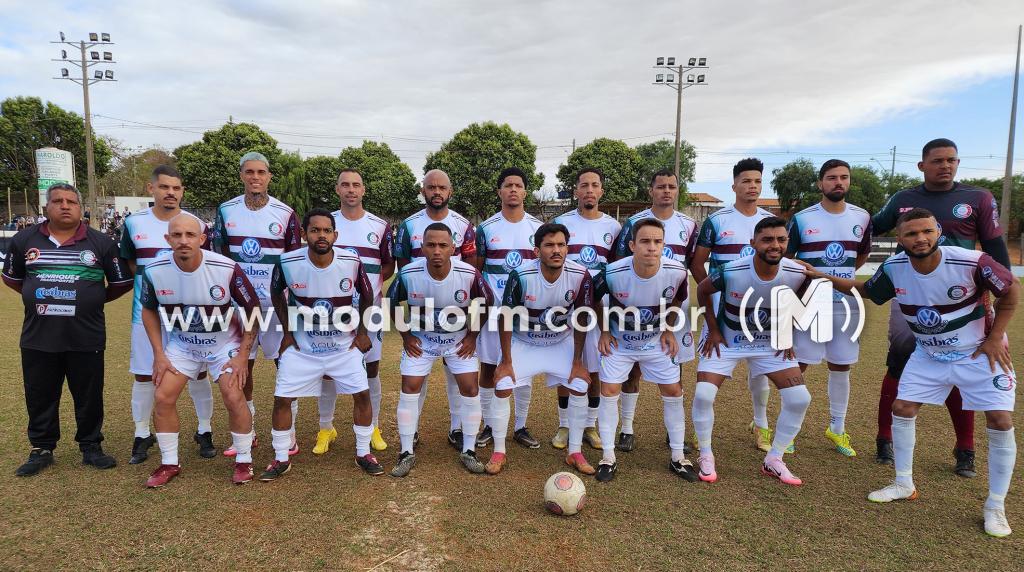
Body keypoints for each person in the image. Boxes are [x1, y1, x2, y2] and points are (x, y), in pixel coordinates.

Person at [803, 208, 1018, 538]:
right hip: (929, 354)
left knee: (1000, 420)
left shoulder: (971, 261)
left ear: (937, 233)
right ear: (900, 240)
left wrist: (993, 338)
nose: (921, 239)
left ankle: (995, 505)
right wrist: (821, 276)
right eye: (912, 234)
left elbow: (1011, 290)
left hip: (977, 353)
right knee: (902, 409)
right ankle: (903, 483)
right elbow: (867, 291)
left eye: (927, 232)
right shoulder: (895, 267)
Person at [870, 138, 1012, 476]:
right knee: (899, 363)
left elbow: (995, 248)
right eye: (937, 161)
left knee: (967, 370)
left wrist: (995, 291)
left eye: (951, 160)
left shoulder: (978, 198)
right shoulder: (904, 199)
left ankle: (965, 448)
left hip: (963, 298)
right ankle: (884, 439)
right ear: (922, 166)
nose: (945, 166)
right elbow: (869, 228)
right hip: (911, 297)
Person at [3, 183, 133, 476]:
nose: (65, 206)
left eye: (71, 202)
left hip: (86, 334)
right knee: (40, 393)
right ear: (46, 207)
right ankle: (42, 448)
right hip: (38, 335)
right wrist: (37, 294)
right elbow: (12, 279)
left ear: (80, 208)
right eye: (58, 201)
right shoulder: (24, 240)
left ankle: (90, 446)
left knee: (88, 394)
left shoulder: (101, 243)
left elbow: (121, 283)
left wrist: (92, 299)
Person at [260, 209, 381, 481]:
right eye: (315, 230)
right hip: (303, 349)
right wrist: (288, 333)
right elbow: (275, 292)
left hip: (343, 347)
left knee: (362, 394)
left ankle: (363, 453)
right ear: (305, 234)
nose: (322, 235)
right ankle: (281, 458)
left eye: (327, 230)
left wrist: (362, 332)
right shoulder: (287, 262)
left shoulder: (351, 261)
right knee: (282, 399)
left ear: (335, 235)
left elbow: (367, 294)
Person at [141, 214, 261, 487]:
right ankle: (169, 462)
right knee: (163, 395)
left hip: (224, 344)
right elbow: (148, 309)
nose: (184, 241)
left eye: (190, 235)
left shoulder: (226, 268)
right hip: (183, 344)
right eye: (177, 235)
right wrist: (159, 354)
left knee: (233, 394)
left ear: (202, 239)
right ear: (168, 239)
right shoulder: (154, 270)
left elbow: (253, 310)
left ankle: (243, 460)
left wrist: (243, 355)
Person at [692, 217, 813, 486]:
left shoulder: (797, 272)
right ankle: (706, 453)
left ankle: (774, 459)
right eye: (767, 239)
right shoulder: (732, 270)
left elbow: (797, 300)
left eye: (781, 239)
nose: (775, 245)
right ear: (753, 243)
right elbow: (702, 290)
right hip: (728, 340)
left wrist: (785, 334)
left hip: (767, 343)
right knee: (703, 395)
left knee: (799, 398)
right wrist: (712, 329)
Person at [120, 165, 217, 464]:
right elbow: (133, 265)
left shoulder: (196, 225)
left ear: (182, 191)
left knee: (198, 372)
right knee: (145, 372)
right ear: (152, 189)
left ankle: (204, 430)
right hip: (145, 313)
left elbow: (205, 265)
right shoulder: (135, 223)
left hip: (188, 315)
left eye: (176, 188)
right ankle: (141, 433)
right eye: (164, 187)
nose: (170, 193)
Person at [592, 219, 695, 483]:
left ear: (664, 245)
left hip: (654, 341)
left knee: (674, 390)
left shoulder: (677, 272)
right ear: (632, 245)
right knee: (609, 390)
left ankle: (677, 457)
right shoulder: (612, 272)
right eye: (645, 242)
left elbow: (679, 299)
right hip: (620, 342)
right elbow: (592, 298)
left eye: (657, 242)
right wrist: (604, 330)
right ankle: (607, 457)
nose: (652, 247)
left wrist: (669, 330)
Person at [387, 223, 494, 477]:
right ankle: (405, 452)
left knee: (470, 387)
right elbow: (390, 302)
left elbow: (486, 303)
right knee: (410, 386)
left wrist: (472, 336)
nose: (437, 250)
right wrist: (405, 335)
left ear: (453, 248)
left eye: (443, 245)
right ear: (422, 247)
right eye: (431, 245)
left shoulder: (468, 274)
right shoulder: (409, 273)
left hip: (457, 340)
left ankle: (468, 450)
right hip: (422, 340)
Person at [213, 152, 302, 456]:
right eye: (249, 172)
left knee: (286, 365)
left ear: (269, 177)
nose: (255, 177)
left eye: (261, 172)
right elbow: (221, 258)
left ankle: (288, 433)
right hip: (240, 307)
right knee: (242, 367)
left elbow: (294, 262)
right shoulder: (226, 211)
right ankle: (246, 431)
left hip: (277, 306)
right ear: (241, 175)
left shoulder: (286, 213)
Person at [691, 158, 778, 453]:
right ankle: (701, 429)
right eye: (746, 181)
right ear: (734, 186)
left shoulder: (770, 223)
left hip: (760, 314)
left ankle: (761, 424)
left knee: (760, 371)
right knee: (712, 368)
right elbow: (697, 262)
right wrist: (715, 293)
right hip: (723, 312)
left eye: (756, 181)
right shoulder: (717, 221)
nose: (752, 186)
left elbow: (779, 265)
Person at [786, 159, 871, 456]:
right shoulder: (803, 218)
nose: (839, 182)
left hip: (846, 303)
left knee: (841, 365)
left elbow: (860, 256)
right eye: (832, 178)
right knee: (800, 365)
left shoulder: (862, 217)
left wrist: (839, 279)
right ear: (821, 183)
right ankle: (790, 429)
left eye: (844, 177)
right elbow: (786, 257)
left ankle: (837, 428)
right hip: (810, 302)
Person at [494, 223, 595, 475]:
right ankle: (498, 451)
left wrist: (577, 361)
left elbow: (582, 318)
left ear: (567, 248)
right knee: (503, 384)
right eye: (549, 245)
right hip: (525, 342)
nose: (556, 250)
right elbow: (505, 317)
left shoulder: (581, 275)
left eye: (561, 245)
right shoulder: (521, 275)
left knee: (580, 385)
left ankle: (574, 452)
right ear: (537, 250)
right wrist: (506, 361)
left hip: (559, 342)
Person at [610, 168, 698, 452]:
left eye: (672, 186)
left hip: (673, 308)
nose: (667, 191)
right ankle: (627, 428)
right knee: (632, 368)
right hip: (635, 308)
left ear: (677, 190)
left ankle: (675, 437)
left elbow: (693, 264)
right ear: (651, 190)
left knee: (674, 366)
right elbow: (620, 264)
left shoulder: (689, 224)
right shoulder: (633, 223)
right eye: (661, 186)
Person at [393, 169, 477, 449]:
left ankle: (457, 429)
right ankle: (411, 432)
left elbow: (471, 266)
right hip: (422, 311)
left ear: (450, 191)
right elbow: (403, 267)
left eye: (442, 187)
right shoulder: (408, 225)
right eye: (431, 187)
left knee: (458, 375)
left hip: (456, 309)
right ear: (423, 191)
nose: (436, 192)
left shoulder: (463, 224)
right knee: (419, 374)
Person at [314, 169, 394, 455]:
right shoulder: (327, 225)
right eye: (345, 184)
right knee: (328, 371)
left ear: (364, 190)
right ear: (337, 189)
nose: (351, 189)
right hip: (331, 310)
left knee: (371, 368)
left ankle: (372, 426)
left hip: (369, 310)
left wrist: (367, 288)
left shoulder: (379, 226)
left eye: (356, 185)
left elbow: (388, 266)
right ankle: (326, 428)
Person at [551, 168, 621, 452]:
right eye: (584, 185)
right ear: (576, 191)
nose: (589, 190)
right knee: (564, 365)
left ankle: (590, 424)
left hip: (599, 307)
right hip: (565, 305)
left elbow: (617, 269)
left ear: (601, 191)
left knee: (593, 367)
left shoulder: (614, 227)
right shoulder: (561, 222)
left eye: (595, 185)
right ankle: (565, 424)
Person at [473, 167, 544, 450]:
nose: (513, 189)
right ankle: (489, 424)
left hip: (526, 313)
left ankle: (520, 425)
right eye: (508, 185)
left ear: (525, 192)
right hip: (494, 312)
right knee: (489, 366)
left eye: (518, 185)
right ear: (499, 192)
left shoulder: (537, 228)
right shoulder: (486, 228)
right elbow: (477, 273)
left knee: (522, 368)